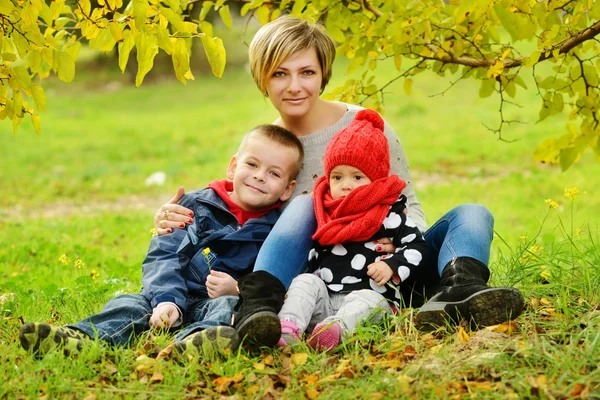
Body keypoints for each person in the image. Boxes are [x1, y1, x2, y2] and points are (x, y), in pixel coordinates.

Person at [152, 16, 525, 345]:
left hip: (392, 269)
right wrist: (176, 218)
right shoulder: (267, 146)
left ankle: (460, 293)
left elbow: (407, 202)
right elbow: (238, 216)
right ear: (262, 79)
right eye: (280, 73)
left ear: (323, 74)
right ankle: (259, 308)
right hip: (318, 279)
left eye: (307, 72)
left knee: (473, 213)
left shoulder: (365, 127)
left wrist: (396, 252)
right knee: (303, 204)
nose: (294, 86)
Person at [18, 124, 304, 357]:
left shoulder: (276, 230)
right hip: (164, 295)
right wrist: (167, 300)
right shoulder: (197, 205)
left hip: (212, 302)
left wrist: (238, 289)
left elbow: (270, 278)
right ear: (232, 167)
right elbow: (165, 255)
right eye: (252, 164)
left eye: (274, 173)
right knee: (128, 304)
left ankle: (192, 346)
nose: (258, 176)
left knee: (226, 309)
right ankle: (80, 338)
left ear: (287, 189)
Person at [276, 109, 436, 350]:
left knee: (367, 302)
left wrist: (391, 264)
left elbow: (419, 246)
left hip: (369, 298)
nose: (346, 185)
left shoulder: (388, 213)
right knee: (305, 282)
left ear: (376, 179)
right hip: (327, 298)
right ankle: (288, 327)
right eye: (337, 177)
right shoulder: (325, 210)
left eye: (357, 177)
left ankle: (336, 332)